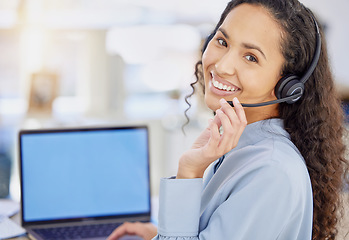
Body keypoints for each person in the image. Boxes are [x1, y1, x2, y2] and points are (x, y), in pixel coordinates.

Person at [108, 0, 349, 239]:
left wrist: (189, 172)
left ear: (288, 86)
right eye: (222, 41)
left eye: (251, 57)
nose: (222, 66)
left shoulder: (271, 171)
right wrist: (159, 234)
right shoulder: (241, 144)